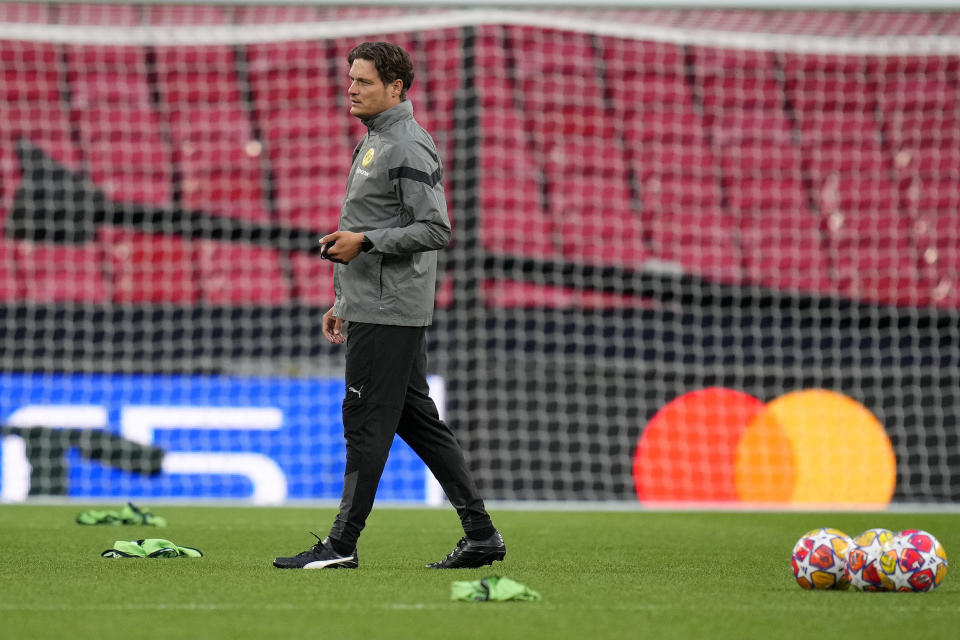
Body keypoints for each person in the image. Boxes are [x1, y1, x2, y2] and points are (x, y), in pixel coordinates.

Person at [273, 42, 505, 570]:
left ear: (396, 87)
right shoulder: (377, 139)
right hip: (371, 303)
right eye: (351, 79)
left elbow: (436, 228)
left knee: (363, 421)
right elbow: (367, 222)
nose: (351, 88)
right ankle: (482, 534)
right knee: (419, 422)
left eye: (364, 81)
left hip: (389, 308)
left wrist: (368, 244)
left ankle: (341, 545)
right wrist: (342, 297)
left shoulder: (406, 145)